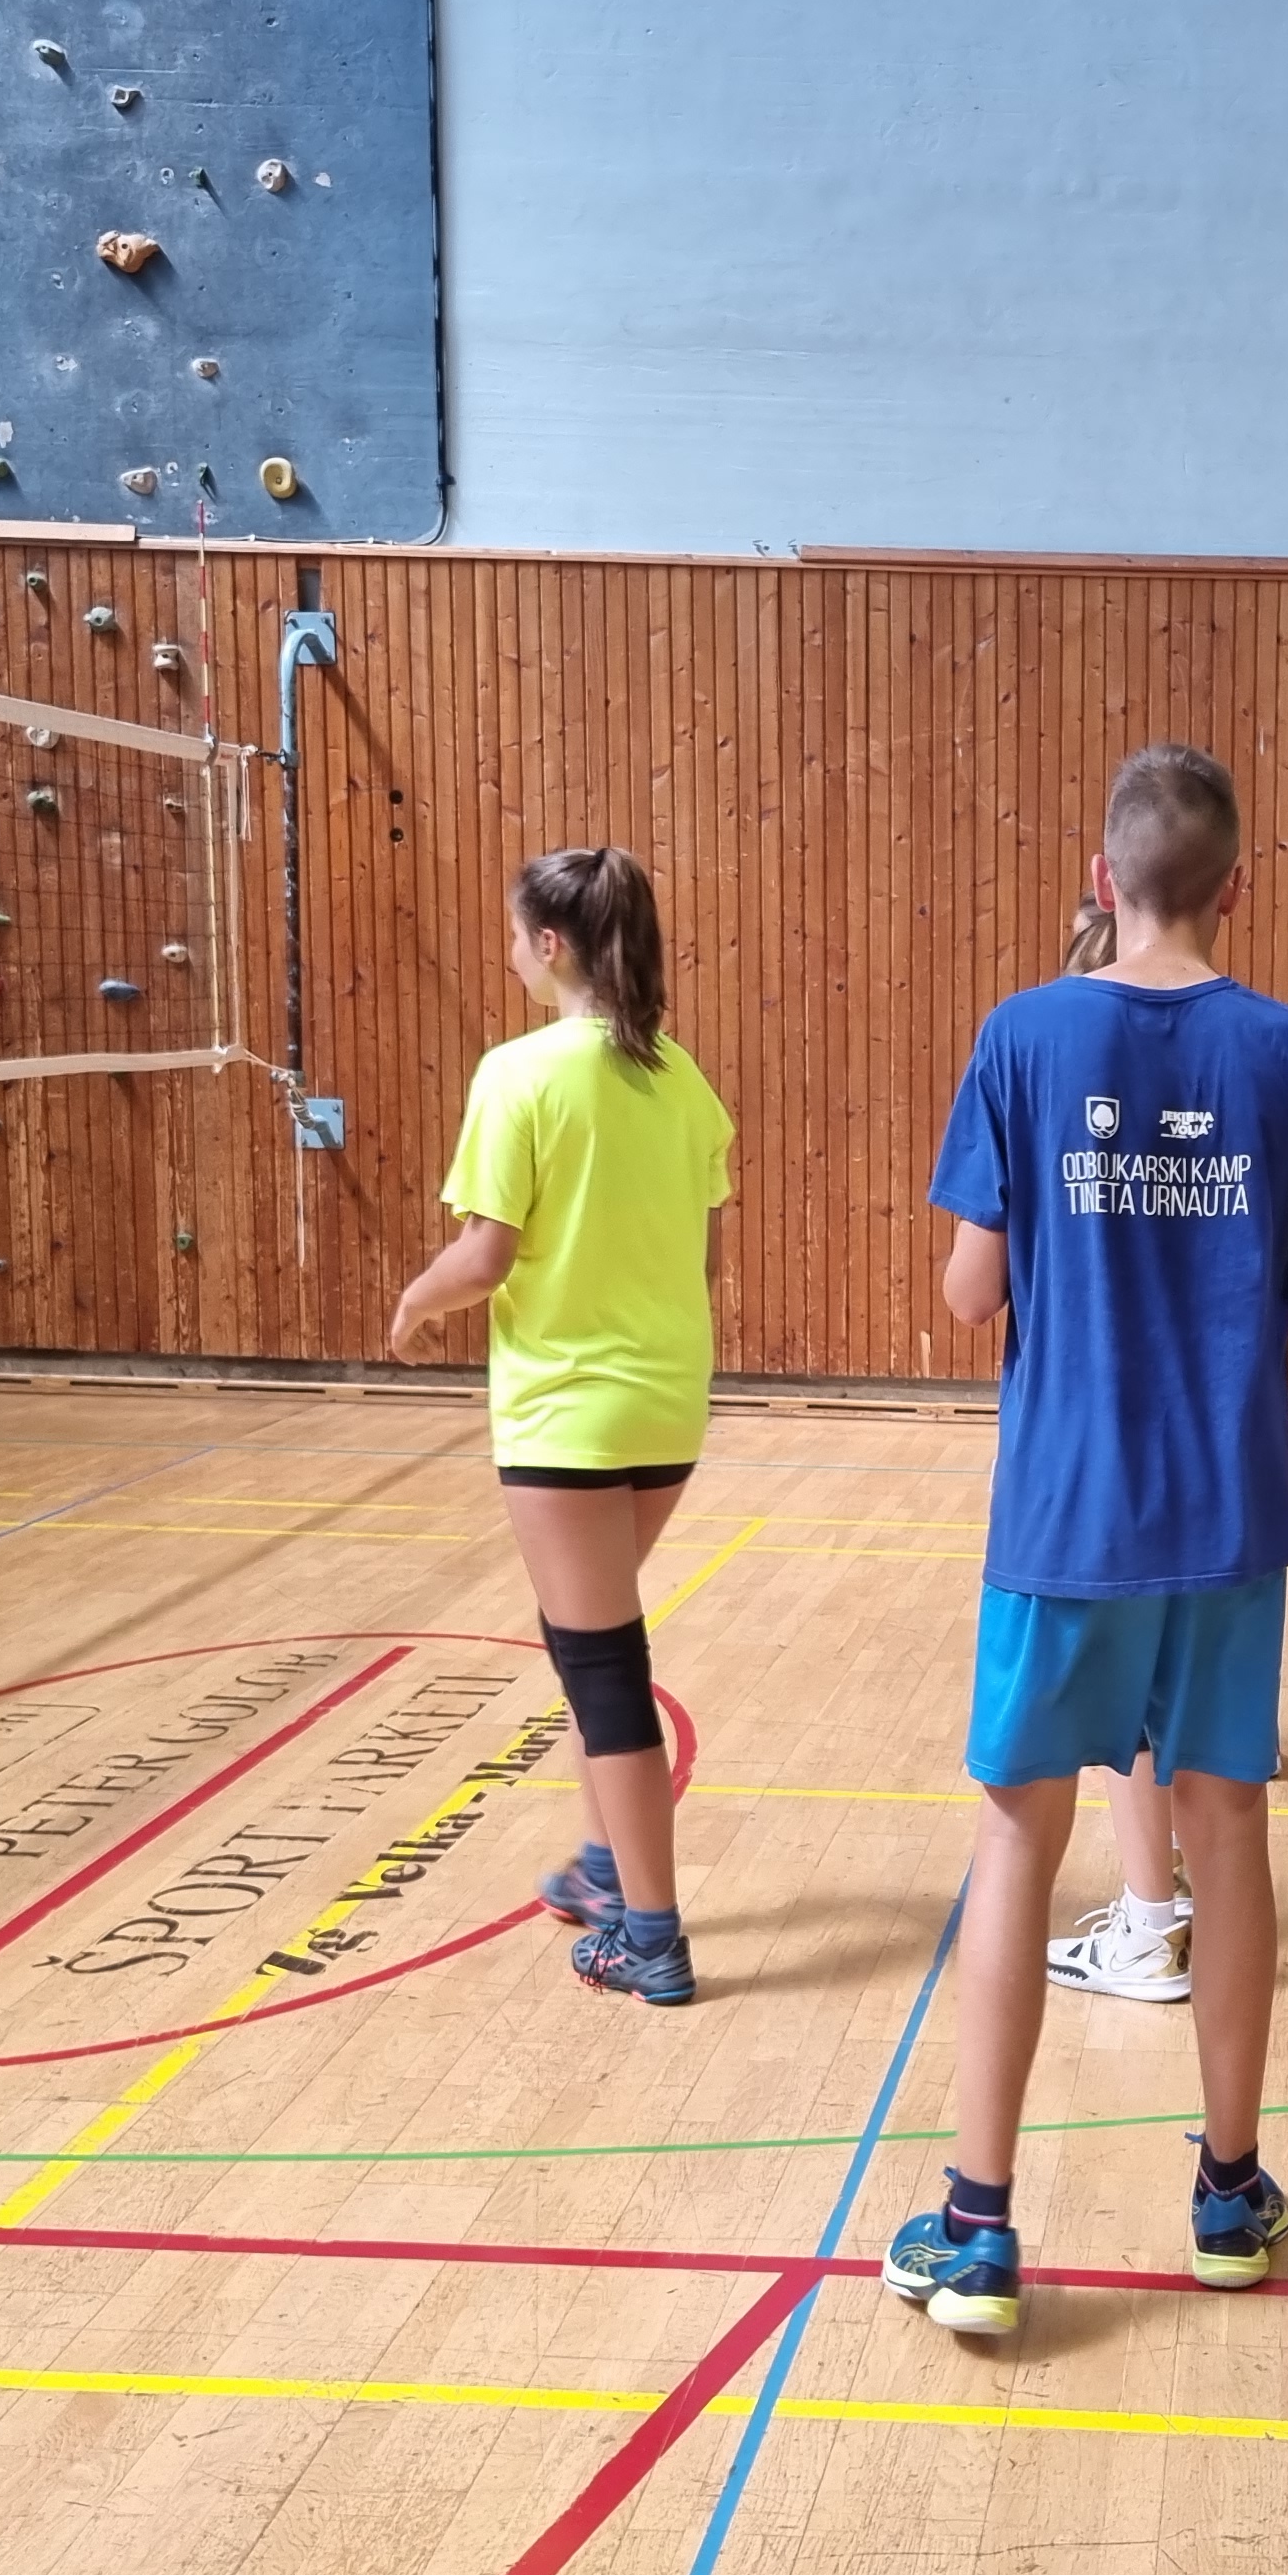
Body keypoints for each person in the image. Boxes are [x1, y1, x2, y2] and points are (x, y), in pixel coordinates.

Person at [884, 744, 1288, 2336]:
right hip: (1228, 1521)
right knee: (1228, 1838)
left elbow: (970, 1293)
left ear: (1103, 879)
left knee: (1016, 1844)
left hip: (1064, 1519)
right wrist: (1244, 1261)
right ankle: (1229, 2196)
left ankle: (979, 2226)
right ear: (1238, 884)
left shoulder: (1022, 1034)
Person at [388, 844, 734, 2009]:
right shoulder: (682, 1081)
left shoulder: (519, 1075)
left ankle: (653, 1938)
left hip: (567, 1417)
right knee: (588, 1640)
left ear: (551, 945)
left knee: (602, 1666)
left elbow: (486, 1256)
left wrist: (412, 1302)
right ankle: (601, 1866)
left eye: (513, 933)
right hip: (667, 1405)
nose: (508, 952)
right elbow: (704, 1259)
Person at [1042, 881, 1201, 2004]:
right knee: (1164, 1707)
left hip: (1101, 1470)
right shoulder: (1215, 1091)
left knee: (1127, 1711)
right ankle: (1165, 1892)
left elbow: (972, 1288)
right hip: (1206, 1468)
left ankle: (1150, 1925)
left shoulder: (1048, 1069)